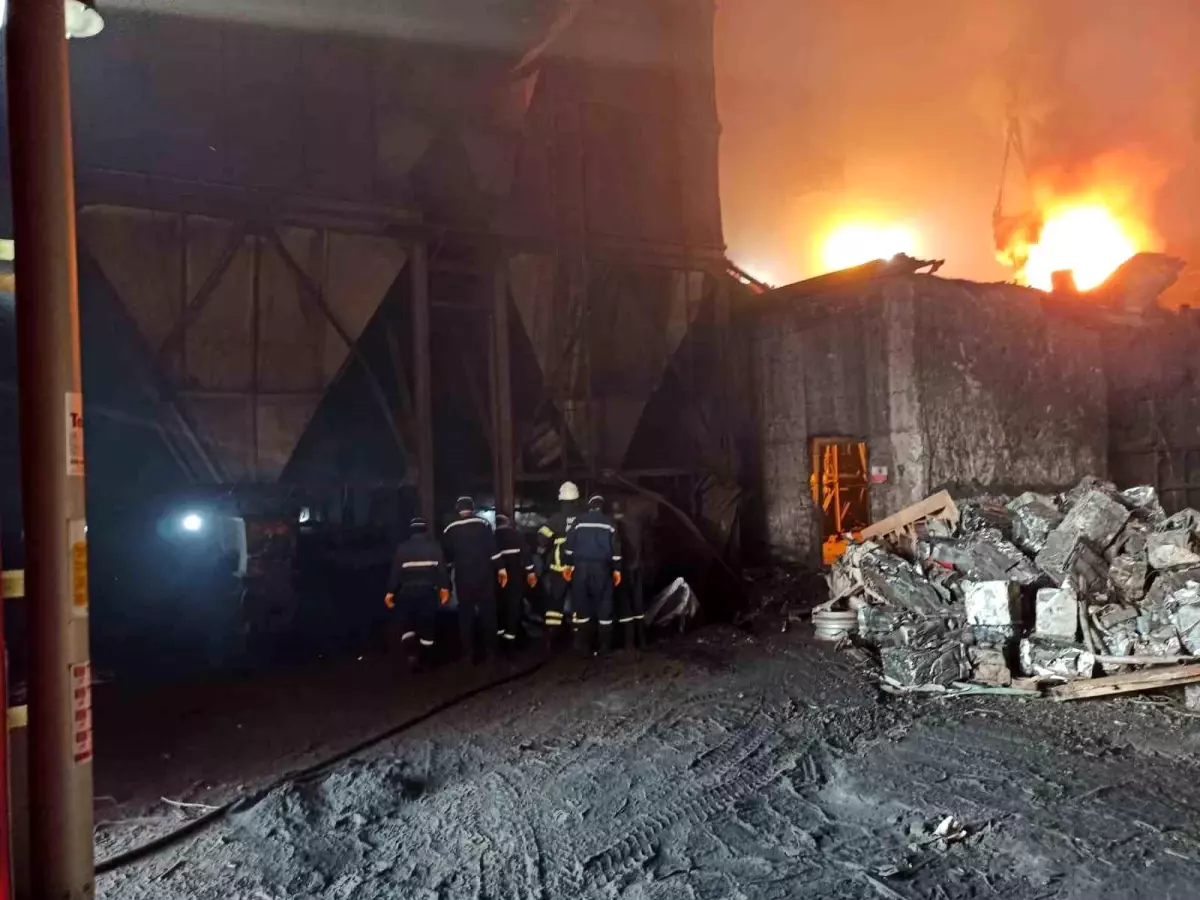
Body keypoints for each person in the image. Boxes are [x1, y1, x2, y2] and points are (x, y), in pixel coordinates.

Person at [443, 496, 507, 662]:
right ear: (472, 508)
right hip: (484, 575)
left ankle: (468, 653)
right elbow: (493, 549)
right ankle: (492, 652)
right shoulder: (484, 524)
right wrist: (501, 568)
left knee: (465, 615)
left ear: (458, 509)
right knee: (488, 613)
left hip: (463, 577)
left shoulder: (450, 528)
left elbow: (447, 556)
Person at [383, 516, 449, 669]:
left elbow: (395, 573)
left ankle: (411, 655)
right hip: (428, 592)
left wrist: (390, 593)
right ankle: (426, 659)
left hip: (407, 593)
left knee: (409, 625)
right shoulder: (434, 547)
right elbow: (442, 571)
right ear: (425, 530)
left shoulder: (402, 548)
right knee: (427, 625)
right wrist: (444, 589)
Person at [564, 493, 622, 654]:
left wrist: (568, 566)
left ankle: (583, 647)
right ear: (602, 507)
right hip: (602, 568)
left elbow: (569, 545)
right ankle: (604, 646)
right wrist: (617, 569)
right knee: (604, 604)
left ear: (589, 506)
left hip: (580, 568)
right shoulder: (610, 522)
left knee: (581, 604)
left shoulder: (579, 521)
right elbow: (616, 549)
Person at [537, 481, 581, 648]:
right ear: (576, 498)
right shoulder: (582, 517)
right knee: (579, 602)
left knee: (555, 604)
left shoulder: (555, 519)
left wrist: (548, 545)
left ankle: (551, 639)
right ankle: (579, 639)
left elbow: (541, 537)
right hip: (578, 567)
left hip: (558, 567)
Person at [495, 513, 535, 649]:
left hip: (497, 576)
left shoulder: (492, 537)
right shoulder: (516, 535)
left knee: (500, 603)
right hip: (515, 575)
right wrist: (530, 572)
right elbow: (526, 553)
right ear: (507, 523)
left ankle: (499, 634)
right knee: (514, 605)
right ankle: (511, 637)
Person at [611, 499, 646, 650]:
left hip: (623, 570)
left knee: (625, 605)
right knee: (638, 604)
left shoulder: (614, 526)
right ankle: (643, 640)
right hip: (637, 568)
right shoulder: (635, 523)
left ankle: (628, 642)